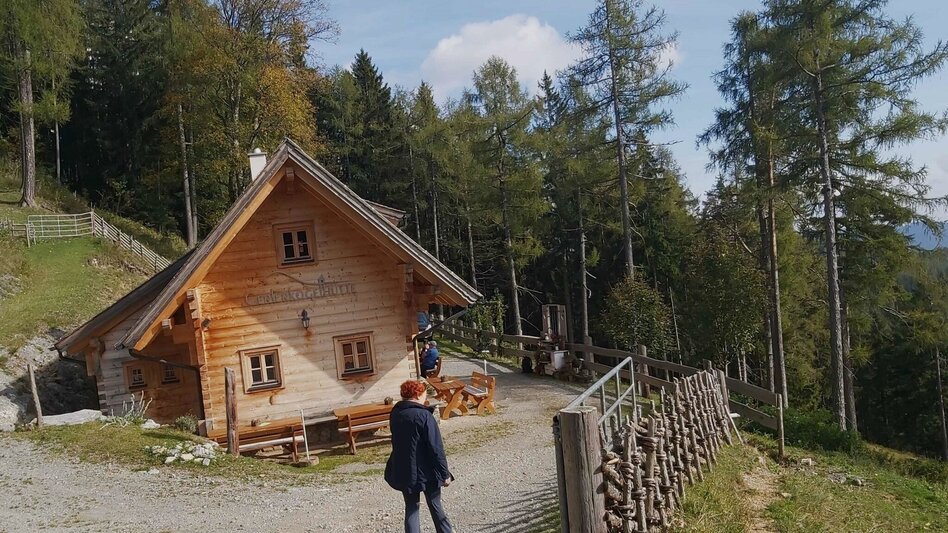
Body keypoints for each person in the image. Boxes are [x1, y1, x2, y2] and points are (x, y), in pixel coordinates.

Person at [385, 380, 454, 533]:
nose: (425, 397)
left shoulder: (396, 413)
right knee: (435, 505)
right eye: (423, 394)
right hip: (427, 470)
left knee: (411, 508)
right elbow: (436, 448)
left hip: (404, 468)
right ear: (417, 395)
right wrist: (445, 474)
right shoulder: (424, 416)